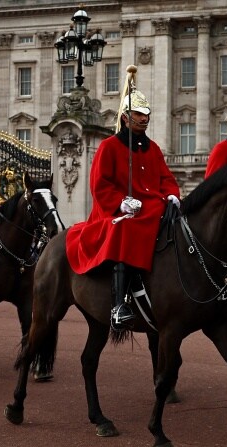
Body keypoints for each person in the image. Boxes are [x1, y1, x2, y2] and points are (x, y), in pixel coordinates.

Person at [66, 65, 181, 331]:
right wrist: (121, 202)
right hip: (118, 212)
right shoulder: (110, 146)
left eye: (146, 114)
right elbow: (100, 185)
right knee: (126, 228)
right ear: (126, 117)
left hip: (152, 206)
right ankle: (119, 304)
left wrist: (173, 196)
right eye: (139, 114)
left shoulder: (152, 149)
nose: (145, 118)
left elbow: (166, 179)